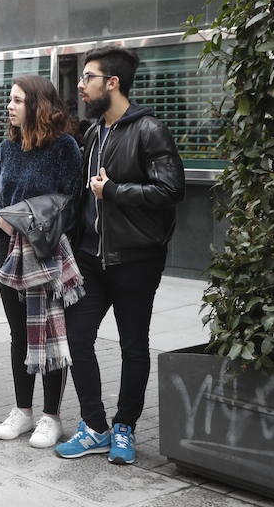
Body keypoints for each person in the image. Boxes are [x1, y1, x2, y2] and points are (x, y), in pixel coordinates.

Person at [55, 47, 185, 464]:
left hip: (136, 259)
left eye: (88, 77)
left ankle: (125, 426)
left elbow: (171, 191)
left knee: (133, 345)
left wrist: (112, 190)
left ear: (112, 83)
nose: (80, 85)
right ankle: (95, 426)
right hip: (91, 258)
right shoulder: (93, 134)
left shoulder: (149, 130)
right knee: (77, 339)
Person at [0, 75, 83, 449]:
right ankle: (23, 410)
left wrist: (31, 223)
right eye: (10, 100)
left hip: (47, 251)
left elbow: (70, 204)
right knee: (18, 333)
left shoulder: (64, 148)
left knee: (51, 331)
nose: (9, 106)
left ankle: (51, 416)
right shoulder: (6, 148)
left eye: (17, 100)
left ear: (38, 105)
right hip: (9, 251)